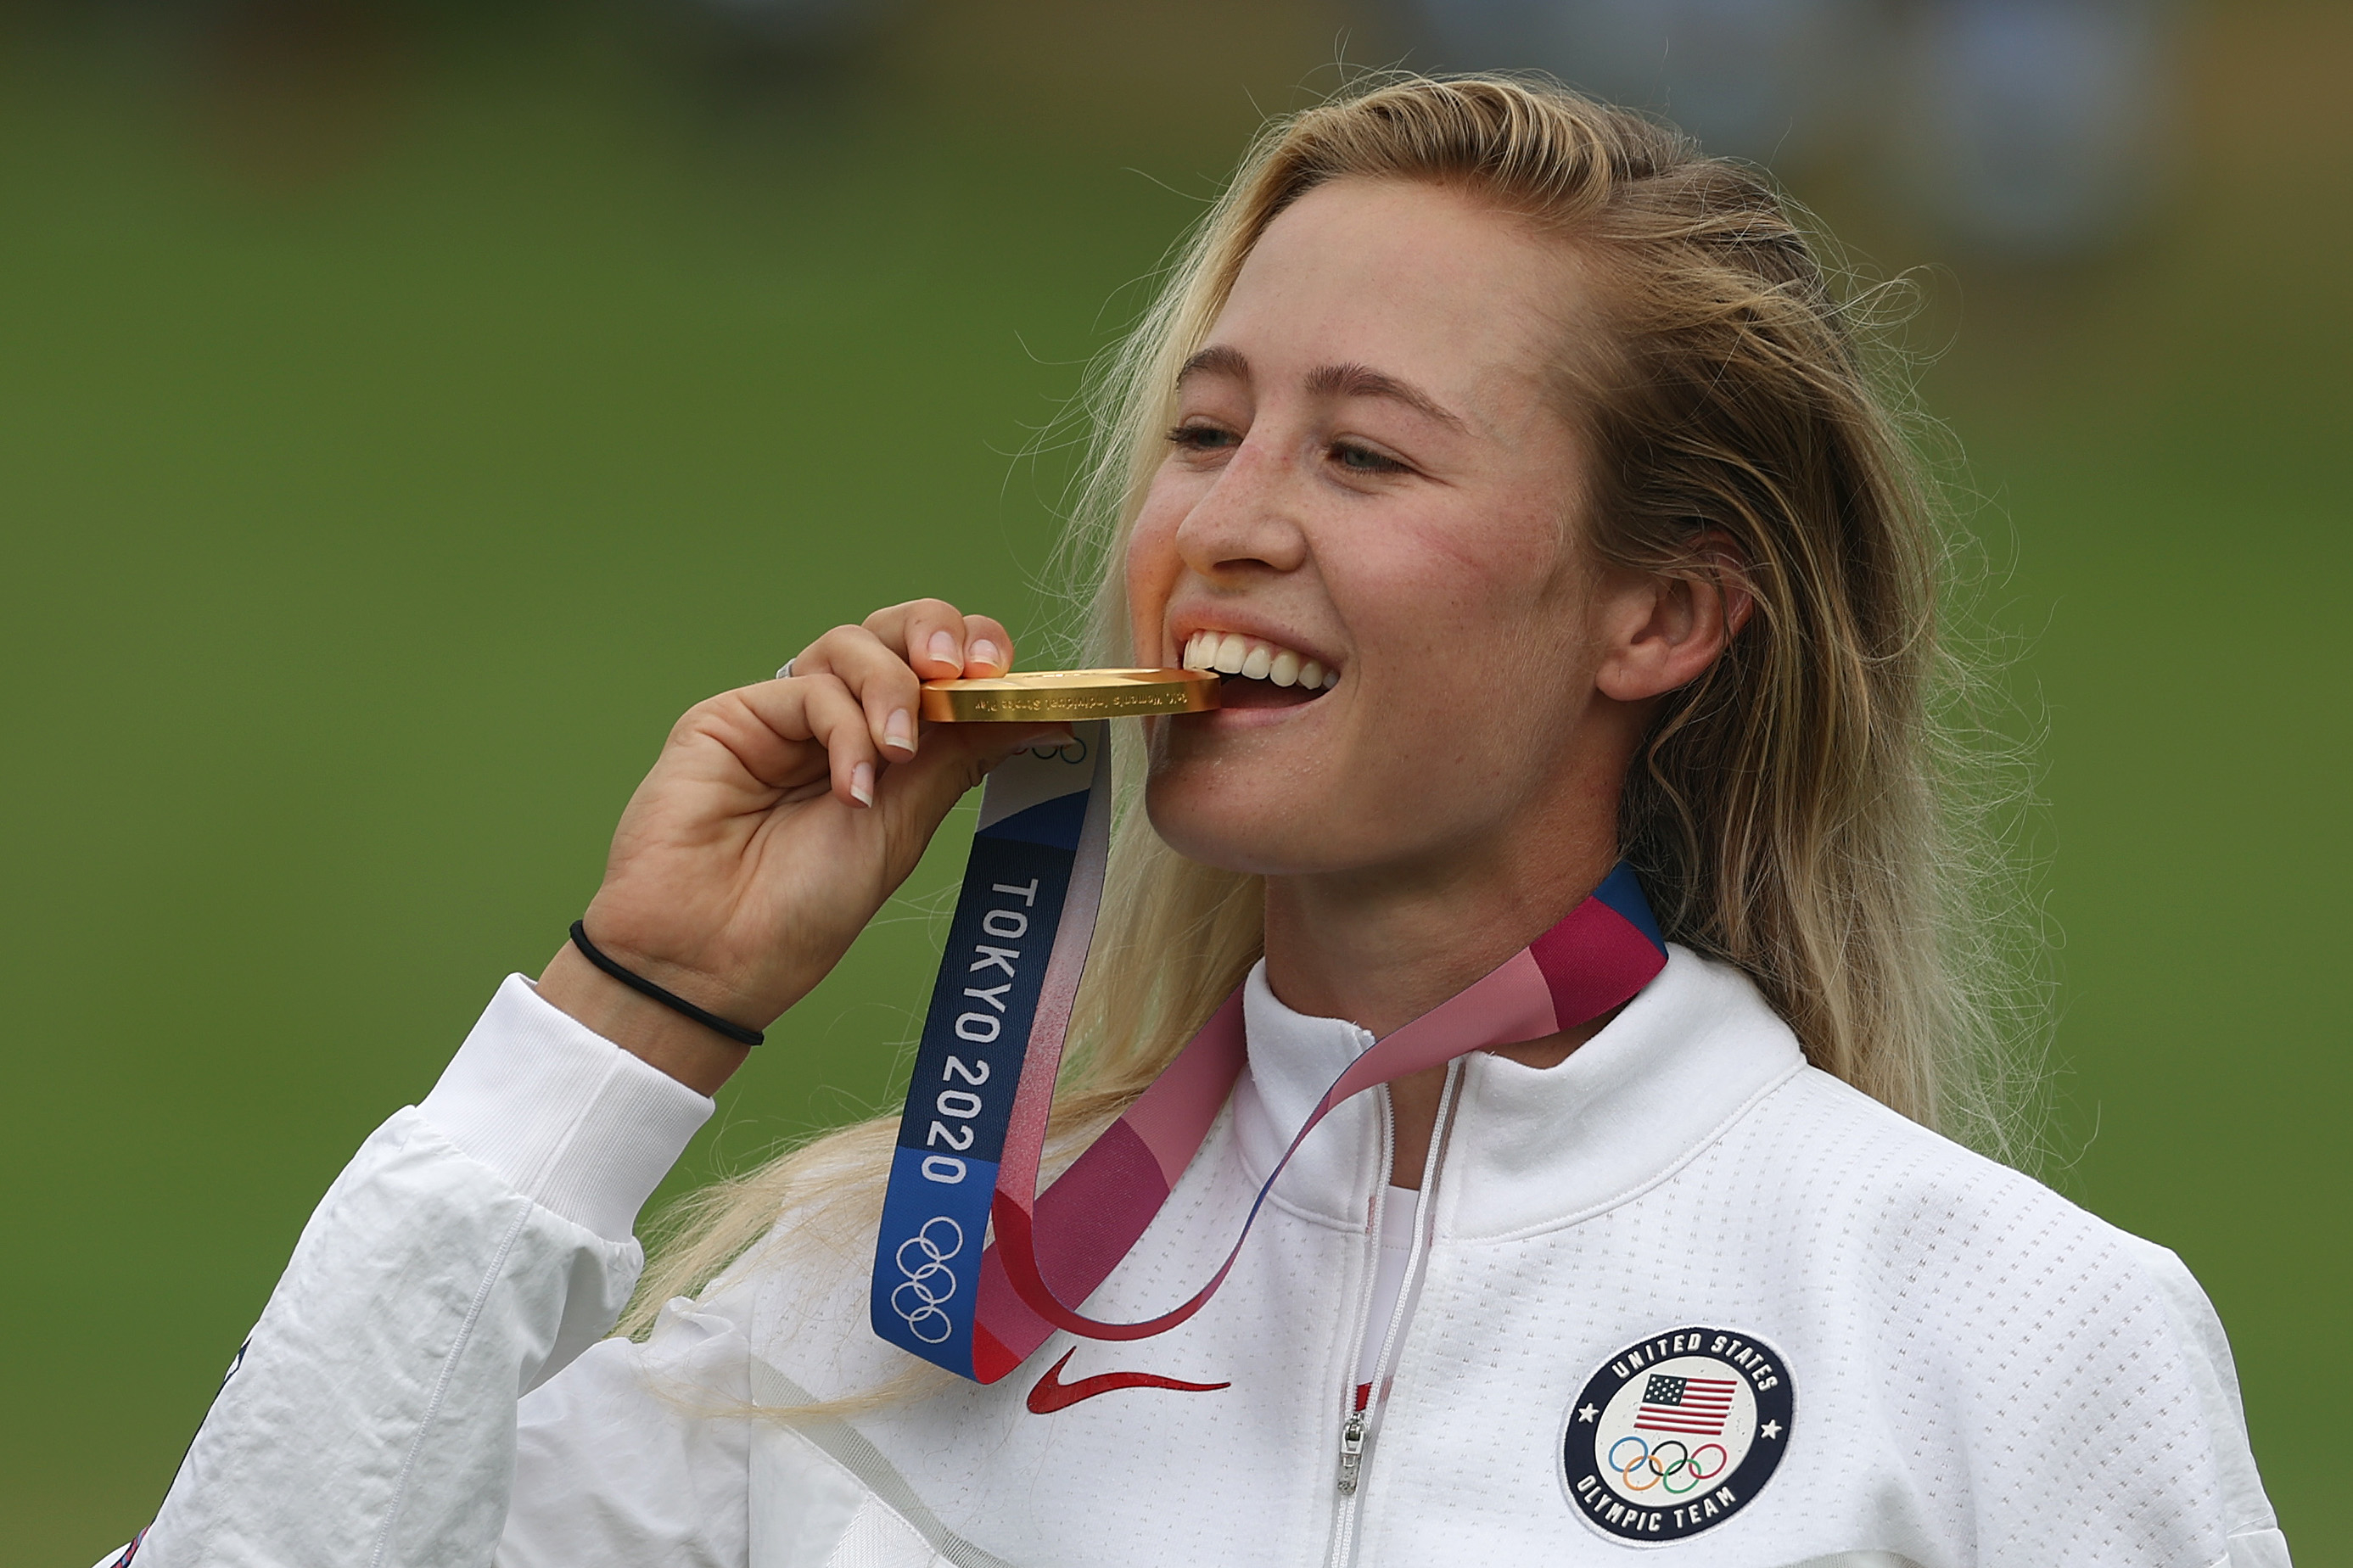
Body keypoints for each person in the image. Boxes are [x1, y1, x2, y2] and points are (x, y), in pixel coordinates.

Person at [108, 76, 2287, 1567]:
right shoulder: (873, 1315)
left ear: (1660, 612)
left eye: (1365, 456)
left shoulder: (1996, 1332)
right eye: (1206, 430)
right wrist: (633, 1013)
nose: (1222, 527)